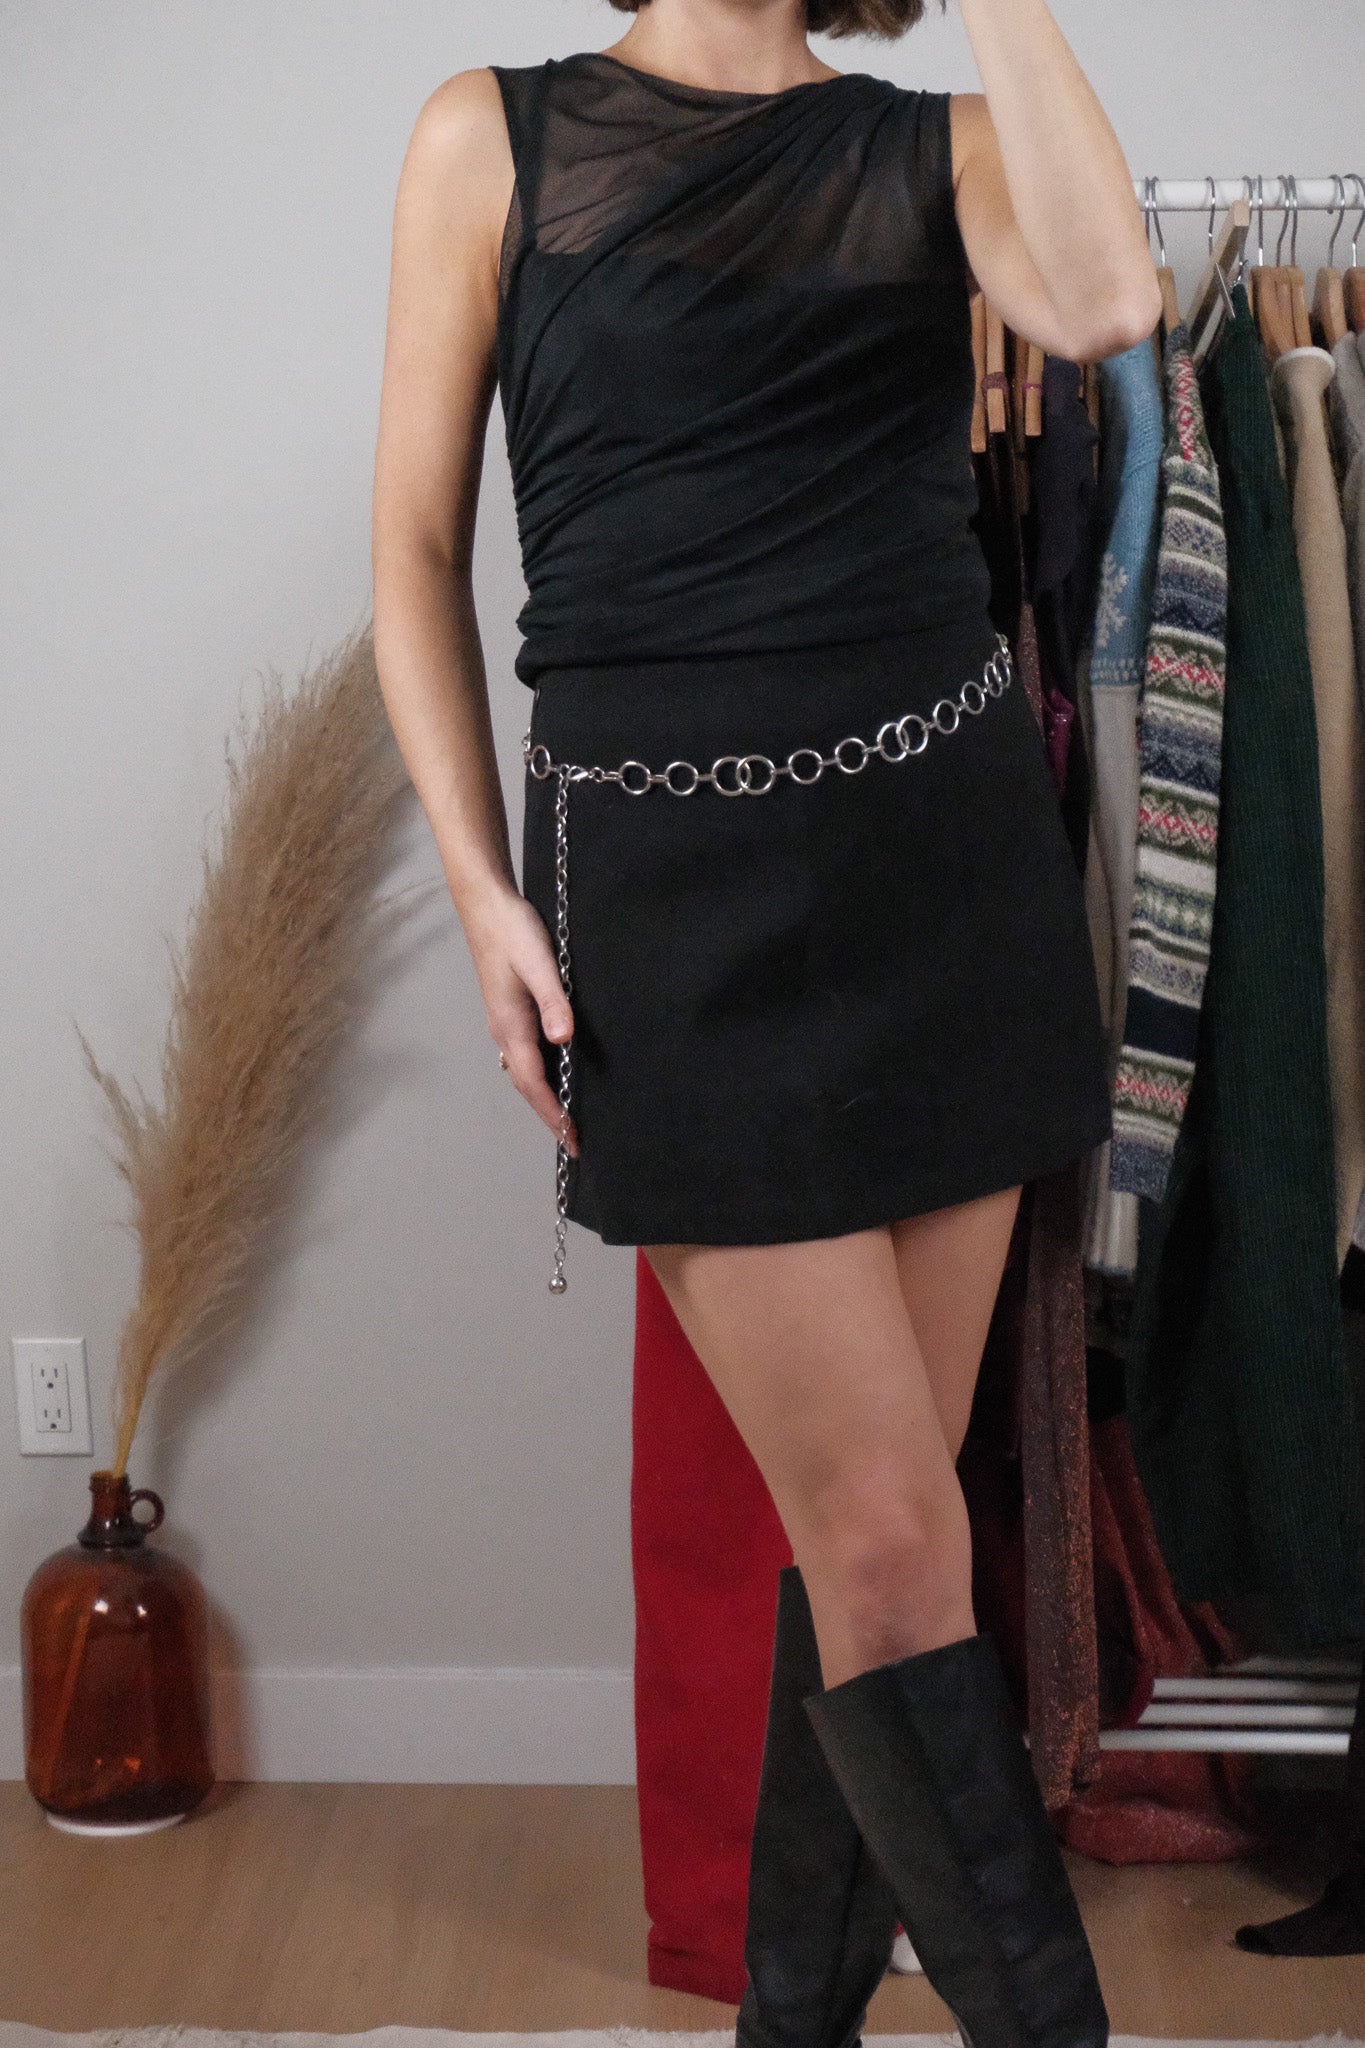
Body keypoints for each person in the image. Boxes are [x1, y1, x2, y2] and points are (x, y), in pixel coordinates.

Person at [371, 2, 1161, 2043]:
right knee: (890, 1544)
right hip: (672, 908)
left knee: (872, 1552)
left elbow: (1101, 301)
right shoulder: (490, 139)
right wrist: (481, 892)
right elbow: (415, 550)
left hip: (943, 883)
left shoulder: (934, 146)